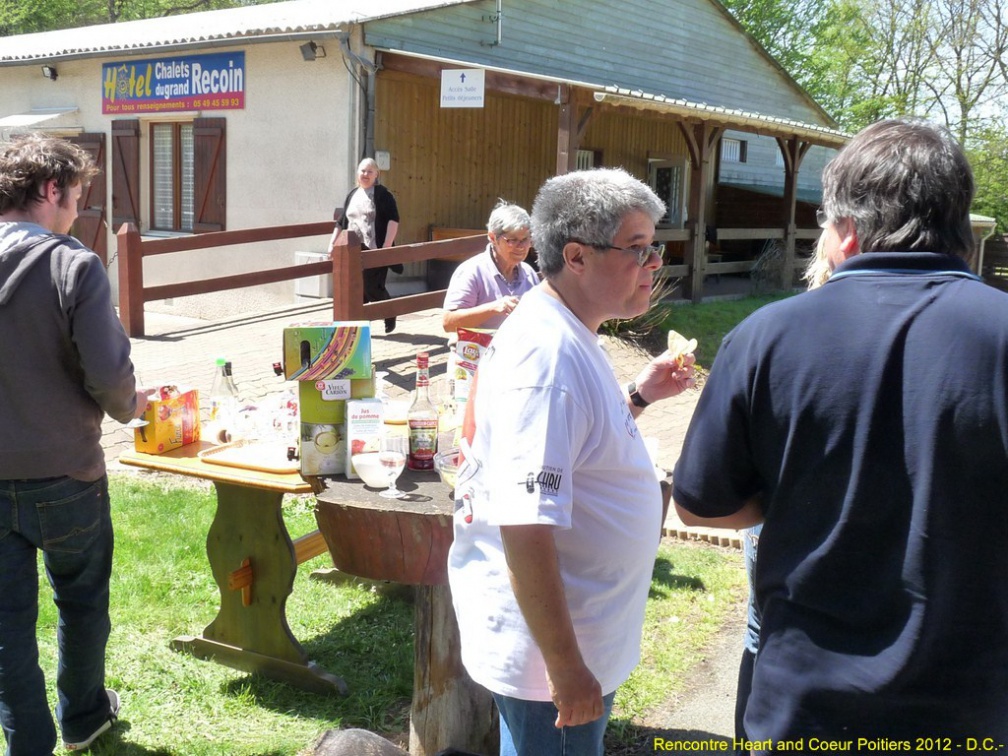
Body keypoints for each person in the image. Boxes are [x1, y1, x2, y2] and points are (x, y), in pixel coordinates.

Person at [672, 118, 1008, 744]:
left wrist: (798, 493)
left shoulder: (765, 337)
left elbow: (698, 507)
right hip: (974, 709)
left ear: (848, 229)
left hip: (805, 708)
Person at [447, 167, 696, 756]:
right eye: (638, 248)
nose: (654, 262)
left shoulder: (566, 328)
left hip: (573, 642)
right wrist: (565, 669)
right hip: (553, 659)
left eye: (654, 246)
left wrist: (637, 396)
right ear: (577, 257)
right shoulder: (548, 358)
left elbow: (577, 446)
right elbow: (525, 525)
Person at [0, 134, 149, 754]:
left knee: (5, 628)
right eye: (77, 196)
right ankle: (84, 718)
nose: (78, 212)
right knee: (82, 603)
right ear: (51, 189)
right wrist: (133, 407)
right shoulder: (75, 264)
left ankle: (27, 741)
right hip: (67, 476)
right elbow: (112, 381)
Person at [441, 199, 539, 333]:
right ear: (492, 238)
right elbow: (448, 323)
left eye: (525, 239)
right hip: (477, 351)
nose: (522, 247)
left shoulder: (529, 273)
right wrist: (493, 308)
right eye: (512, 240)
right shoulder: (472, 271)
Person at [329, 157, 400, 334]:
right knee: (355, 289)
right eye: (362, 171)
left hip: (374, 248)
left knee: (372, 287)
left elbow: (393, 220)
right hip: (352, 250)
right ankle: (357, 329)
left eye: (369, 171)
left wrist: (386, 247)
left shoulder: (383, 194)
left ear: (377, 174)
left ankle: (390, 312)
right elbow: (341, 222)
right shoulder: (352, 194)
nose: (365, 174)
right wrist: (332, 244)